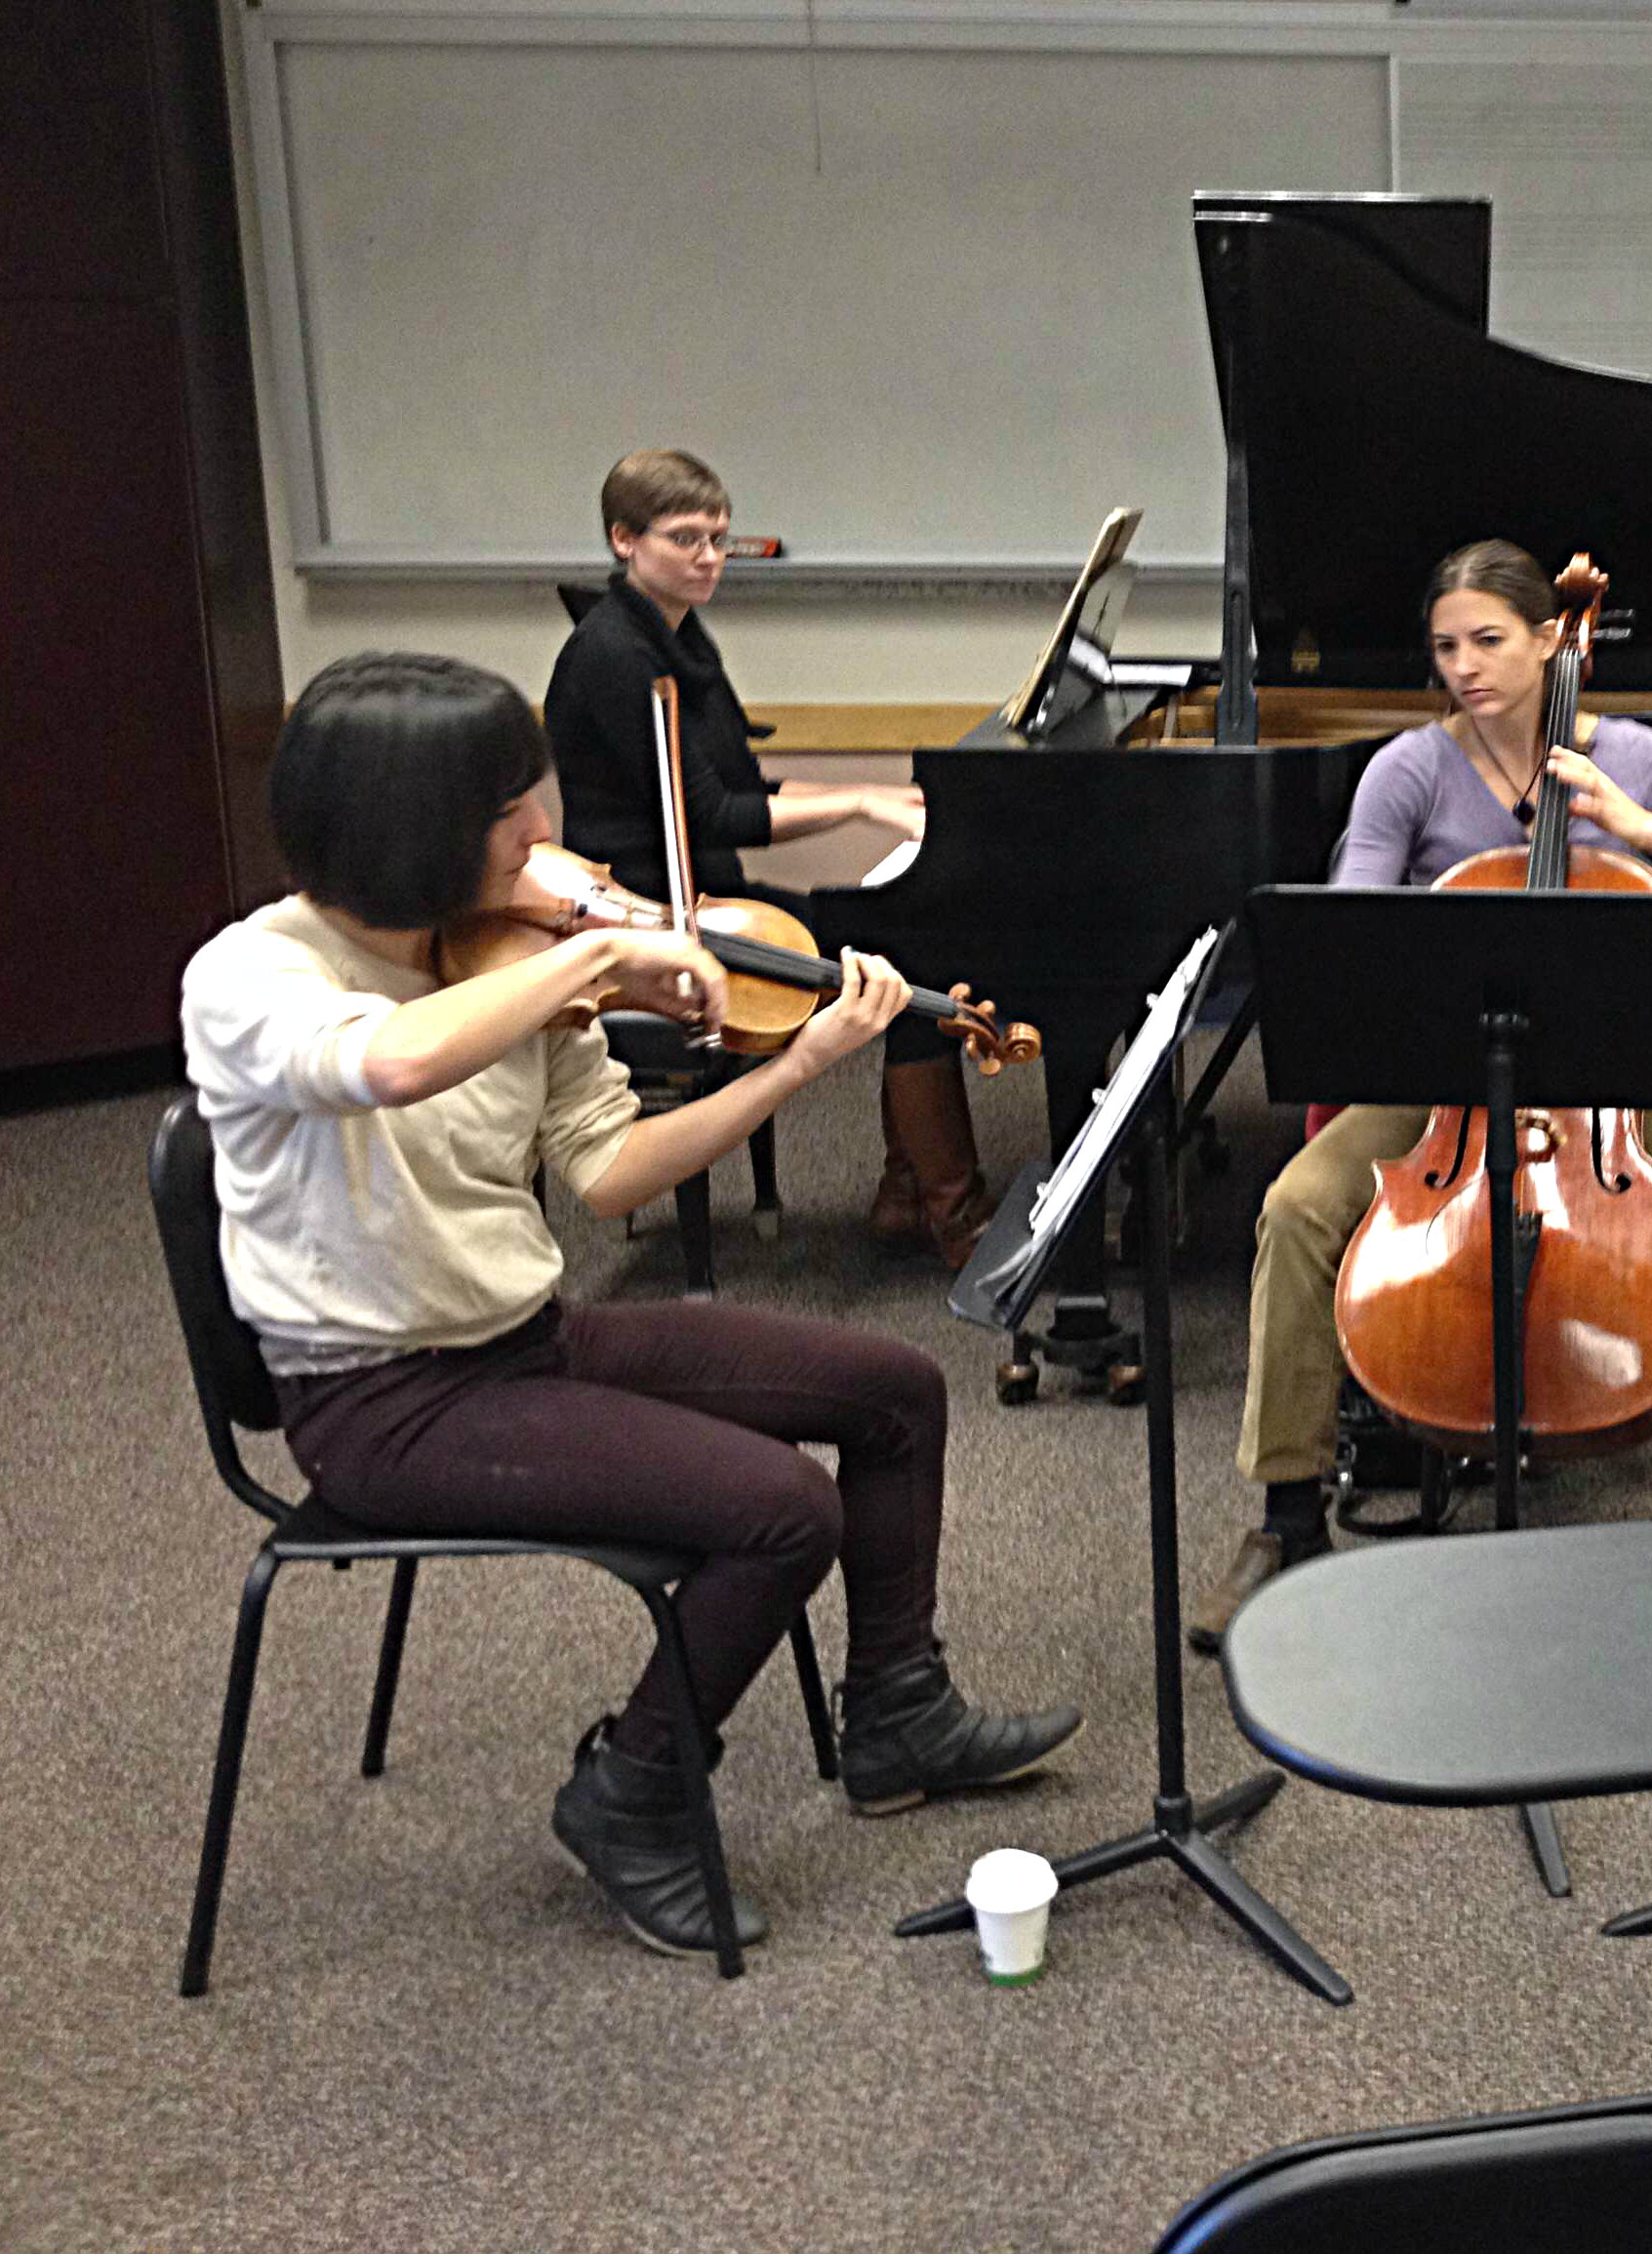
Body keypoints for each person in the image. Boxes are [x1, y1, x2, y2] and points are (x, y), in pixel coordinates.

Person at [181, 652, 1082, 1960]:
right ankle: (634, 1789)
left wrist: (806, 1060)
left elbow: (610, 1177)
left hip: (525, 1342)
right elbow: (381, 1062)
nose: (548, 837)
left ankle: (897, 1710)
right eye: (513, 815)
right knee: (781, 1508)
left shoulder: (511, 951)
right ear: (409, 824)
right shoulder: (254, 974)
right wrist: (597, 947)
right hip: (381, 1398)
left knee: (893, 1391)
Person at [1188, 539, 1652, 1653]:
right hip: (1440, 1085)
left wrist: (1644, 830)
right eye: (1445, 647)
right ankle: (1286, 1514)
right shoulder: (1411, 771)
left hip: (1613, 1087)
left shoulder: (1636, 758)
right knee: (1296, 1209)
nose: (1465, 667)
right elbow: (1348, 920)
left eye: (1488, 640)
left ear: (1547, 641)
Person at [544, 448, 992, 1268]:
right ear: (622, 540)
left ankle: (909, 1191)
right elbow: (717, 813)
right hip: (651, 918)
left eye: (718, 537)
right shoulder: (614, 656)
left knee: (898, 942)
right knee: (898, 952)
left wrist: (884, 799)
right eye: (685, 539)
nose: (709, 557)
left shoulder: (681, 638)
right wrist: (856, 802)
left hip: (711, 895)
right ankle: (950, 1211)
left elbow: (740, 782)